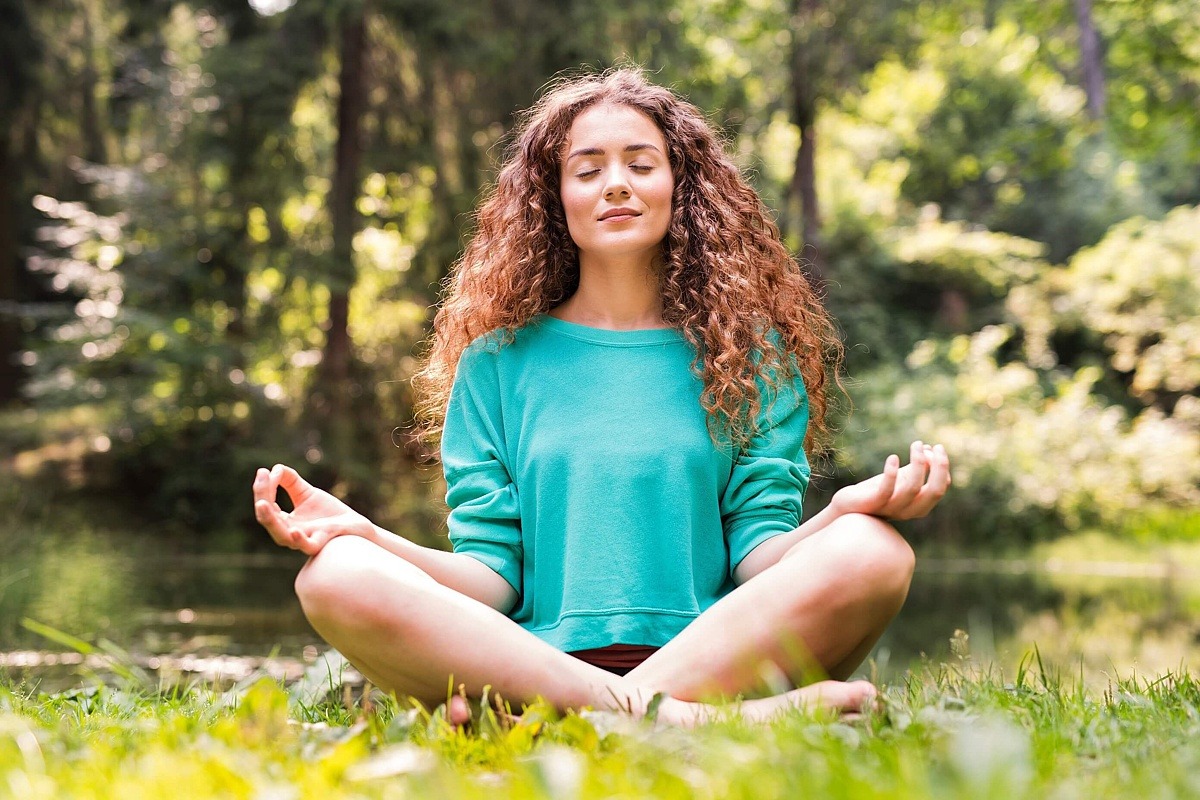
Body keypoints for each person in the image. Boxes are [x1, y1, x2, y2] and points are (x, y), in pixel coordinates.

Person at [252, 68, 950, 726]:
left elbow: (757, 558)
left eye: (641, 164)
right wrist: (367, 535)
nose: (615, 184)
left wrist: (839, 512)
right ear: (555, 199)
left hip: (719, 657)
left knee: (874, 551)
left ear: (683, 187)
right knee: (333, 575)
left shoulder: (754, 359)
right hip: (531, 665)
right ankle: (670, 724)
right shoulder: (495, 366)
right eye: (588, 170)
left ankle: (591, 722)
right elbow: (492, 576)